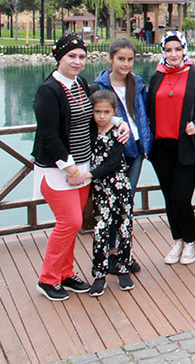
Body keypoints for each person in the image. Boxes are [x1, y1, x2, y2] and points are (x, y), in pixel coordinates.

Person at [32, 35, 130, 300]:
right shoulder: (48, 91)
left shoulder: (81, 84)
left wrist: (118, 122)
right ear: (59, 58)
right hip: (58, 170)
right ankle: (48, 278)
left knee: (73, 225)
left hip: (82, 165)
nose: (77, 61)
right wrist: (71, 170)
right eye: (71, 56)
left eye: (81, 57)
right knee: (70, 222)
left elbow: (96, 113)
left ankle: (65, 273)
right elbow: (49, 136)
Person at [147, 31, 195, 265]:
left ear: (185, 49)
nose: (173, 54)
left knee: (181, 197)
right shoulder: (157, 76)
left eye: (177, 49)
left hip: (187, 147)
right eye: (168, 50)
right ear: (163, 52)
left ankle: (191, 242)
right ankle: (178, 240)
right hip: (161, 148)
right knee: (169, 197)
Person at [93, 38, 151, 274]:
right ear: (111, 59)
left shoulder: (138, 83)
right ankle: (109, 252)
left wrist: (147, 141)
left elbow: (143, 112)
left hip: (136, 148)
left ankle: (123, 253)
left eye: (129, 59)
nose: (125, 64)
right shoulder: (99, 86)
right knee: (110, 202)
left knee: (126, 201)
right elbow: (96, 116)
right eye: (121, 59)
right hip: (113, 151)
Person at [85, 91, 135, 296]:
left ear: (114, 111)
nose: (101, 116)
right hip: (100, 189)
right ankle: (99, 274)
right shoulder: (90, 130)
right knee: (100, 230)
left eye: (106, 112)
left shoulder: (118, 132)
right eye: (97, 111)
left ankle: (124, 268)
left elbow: (113, 161)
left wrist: (89, 175)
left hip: (119, 186)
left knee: (124, 227)